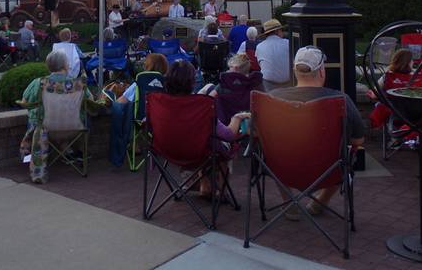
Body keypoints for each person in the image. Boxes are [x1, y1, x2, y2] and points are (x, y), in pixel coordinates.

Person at [270, 47, 365, 216]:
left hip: (282, 169)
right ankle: (320, 202)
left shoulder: (272, 98)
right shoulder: (341, 100)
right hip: (328, 171)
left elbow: (257, 135)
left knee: (271, 153)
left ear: (294, 70)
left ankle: (289, 203)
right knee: (345, 155)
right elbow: (358, 141)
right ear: (322, 71)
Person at [164, 60, 248, 197]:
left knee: (203, 141)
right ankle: (222, 191)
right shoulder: (200, 106)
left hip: (168, 151)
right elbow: (228, 135)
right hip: (199, 153)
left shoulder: (158, 104)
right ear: (192, 83)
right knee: (220, 144)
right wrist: (237, 118)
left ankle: (203, 182)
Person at [18, 51, 97, 183]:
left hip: (46, 131)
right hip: (75, 130)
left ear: (48, 66)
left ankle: (34, 157)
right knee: (87, 117)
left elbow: (25, 100)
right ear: (65, 65)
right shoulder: (78, 84)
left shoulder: (39, 83)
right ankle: (77, 152)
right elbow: (91, 100)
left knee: (34, 119)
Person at [108, 53, 168, 167]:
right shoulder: (167, 83)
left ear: (149, 66)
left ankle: (123, 149)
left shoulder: (141, 81)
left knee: (122, 108)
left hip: (143, 120)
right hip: (163, 121)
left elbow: (121, 101)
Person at [255, 19, 291, 91]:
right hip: (288, 83)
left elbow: (261, 64)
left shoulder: (259, 46)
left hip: (268, 84)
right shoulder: (288, 43)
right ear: (277, 31)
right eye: (281, 30)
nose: (283, 32)